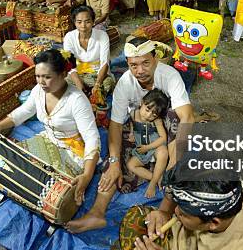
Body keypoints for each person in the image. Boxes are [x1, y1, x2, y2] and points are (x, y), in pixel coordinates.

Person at [66, 37, 194, 233]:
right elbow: (116, 125)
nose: (140, 70)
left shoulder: (170, 76)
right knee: (113, 163)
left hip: (166, 129)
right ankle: (97, 213)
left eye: (145, 63)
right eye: (134, 65)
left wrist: (175, 158)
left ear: (155, 59)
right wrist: (116, 161)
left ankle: (164, 209)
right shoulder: (125, 84)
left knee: (175, 123)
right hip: (140, 129)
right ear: (127, 64)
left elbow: (187, 117)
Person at [0, 49, 100, 205]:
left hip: (73, 149)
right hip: (49, 139)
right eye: (38, 76)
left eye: (47, 77)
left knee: (53, 190)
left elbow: (91, 138)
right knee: (13, 161)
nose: (41, 82)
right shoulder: (38, 91)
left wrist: (87, 176)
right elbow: (23, 112)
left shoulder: (77, 100)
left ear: (63, 74)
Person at [63, 5, 115, 102]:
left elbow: (105, 63)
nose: (83, 25)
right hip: (77, 73)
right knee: (63, 83)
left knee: (108, 83)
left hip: (97, 73)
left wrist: (97, 85)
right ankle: (84, 95)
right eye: (79, 22)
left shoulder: (102, 35)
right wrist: (79, 83)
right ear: (74, 23)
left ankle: (90, 95)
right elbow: (69, 63)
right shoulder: (69, 37)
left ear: (93, 21)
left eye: (87, 21)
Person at [126, 89, 169, 198]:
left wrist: (148, 147)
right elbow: (132, 123)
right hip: (141, 148)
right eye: (147, 109)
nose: (149, 115)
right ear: (142, 102)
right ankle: (156, 177)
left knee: (163, 153)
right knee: (130, 165)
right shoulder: (133, 113)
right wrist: (131, 133)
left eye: (154, 114)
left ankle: (152, 184)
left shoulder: (157, 121)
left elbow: (163, 138)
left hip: (154, 146)